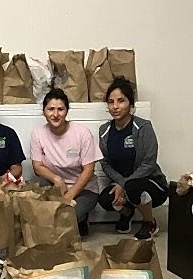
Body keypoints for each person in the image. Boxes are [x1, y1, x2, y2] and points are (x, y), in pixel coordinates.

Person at [98, 76, 168, 239]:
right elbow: (105, 163)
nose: (115, 106)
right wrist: (120, 183)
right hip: (123, 183)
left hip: (151, 183)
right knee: (105, 199)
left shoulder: (143, 127)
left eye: (121, 101)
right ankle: (127, 212)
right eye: (110, 102)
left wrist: (124, 184)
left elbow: (149, 163)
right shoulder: (104, 131)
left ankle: (150, 223)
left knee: (133, 187)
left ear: (130, 104)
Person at [30, 88, 103, 237]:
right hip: (54, 186)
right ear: (44, 111)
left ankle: (81, 219)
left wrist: (69, 196)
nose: (55, 114)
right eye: (50, 109)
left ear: (67, 111)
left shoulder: (82, 133)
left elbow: (89, 169)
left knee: (66, 217)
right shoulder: (38, 134)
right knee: (42, 216)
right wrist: (57, 179)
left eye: (60, 109)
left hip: (84, 189)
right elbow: (37, 167)